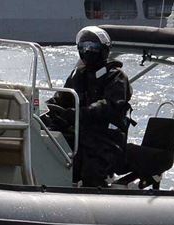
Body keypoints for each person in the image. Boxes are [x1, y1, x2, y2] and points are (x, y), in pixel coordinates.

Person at [43, 26, 133, 187]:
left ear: (103, 49)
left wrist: (80, 113)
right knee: (50, 148)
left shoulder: (116, 76)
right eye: (83, 47)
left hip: (105, 137)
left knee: (92, 172)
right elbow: (61, 98)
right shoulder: (78, 75)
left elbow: (110, 105)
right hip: (79, 133)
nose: (87, 51)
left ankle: (98, 196)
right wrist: (47, 112)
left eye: (92, 47)